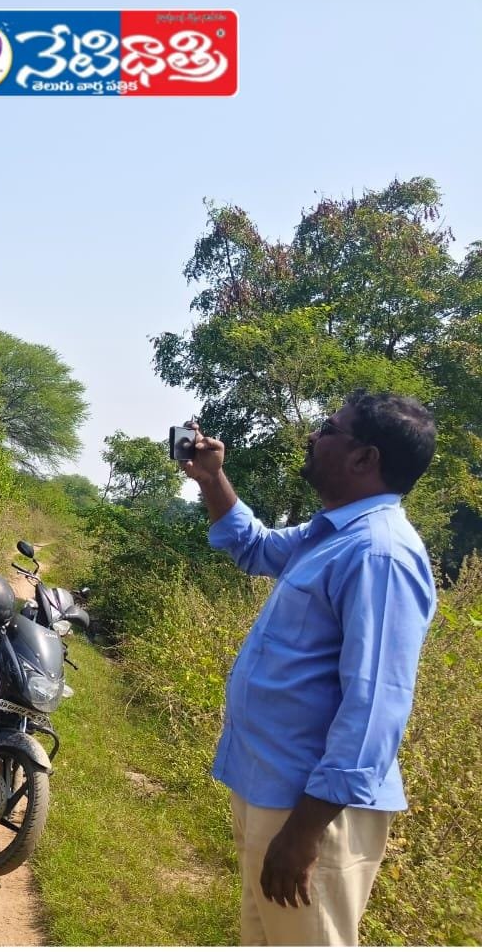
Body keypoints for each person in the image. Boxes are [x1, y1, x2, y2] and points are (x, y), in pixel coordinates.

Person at [181, 390, 437, 946]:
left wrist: (304, 832)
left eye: (328, 427)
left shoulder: (380, 554)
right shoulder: (330, 535)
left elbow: (374, 706)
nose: (313, 435)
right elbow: (253, 547)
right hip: (268, 790)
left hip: (311, 813)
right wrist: (209, 478)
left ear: (364, 458)